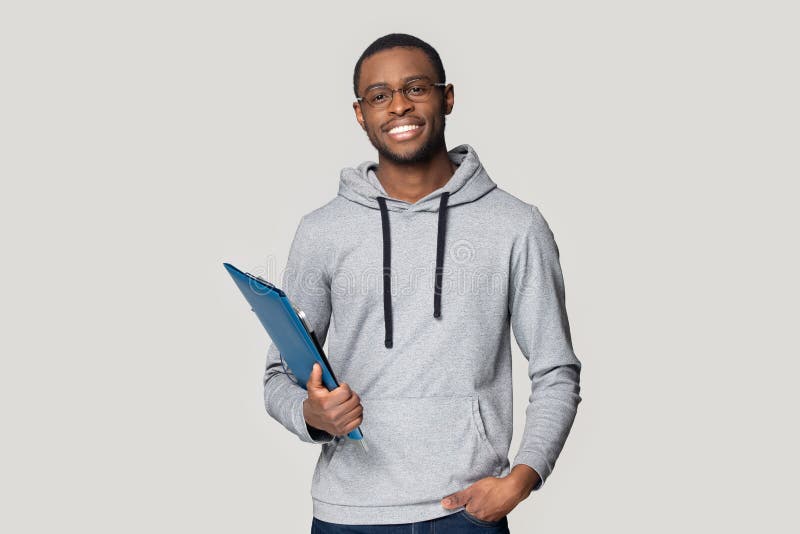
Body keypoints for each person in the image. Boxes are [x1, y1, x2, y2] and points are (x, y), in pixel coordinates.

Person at [262, 33, 583, 533]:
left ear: (446, 96)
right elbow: (278, 377)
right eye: (380, 95)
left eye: (416, 88)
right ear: (360, 112)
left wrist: (523, 478)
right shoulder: (321, 231)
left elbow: (556, 368)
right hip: (348, 515)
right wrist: (312, 414)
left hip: (466, 513)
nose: (399, 107)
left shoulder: (516, 225)